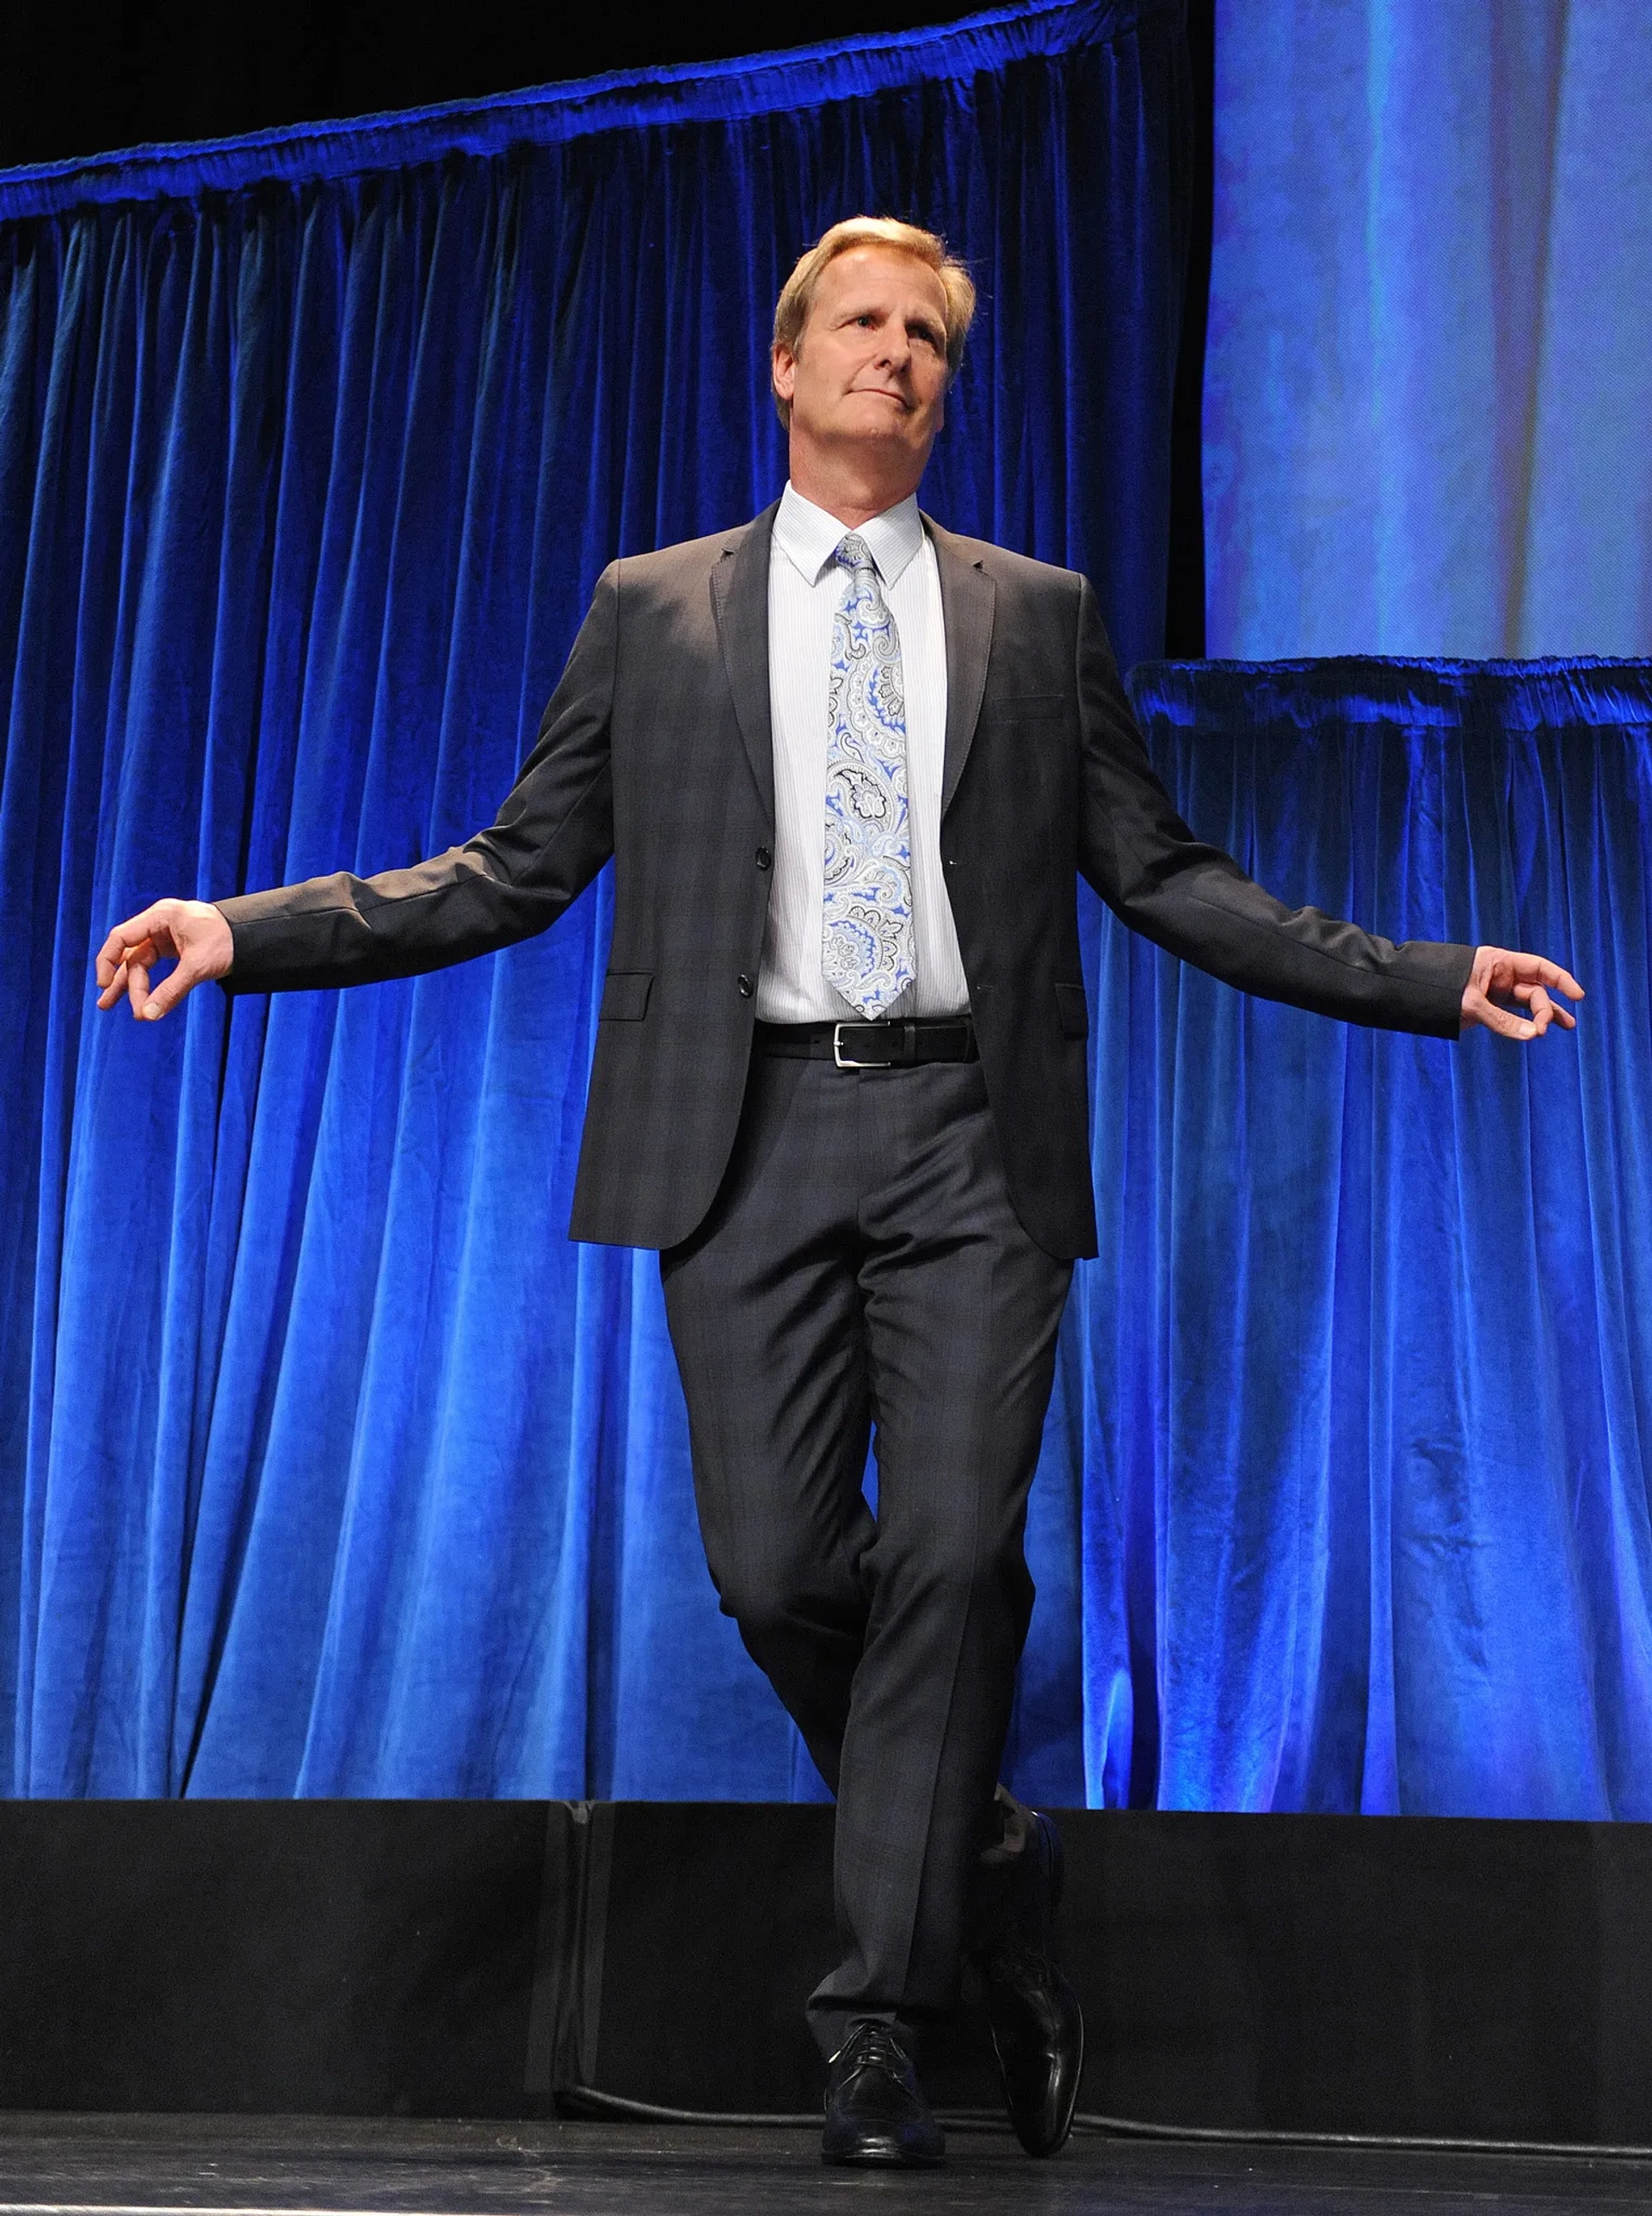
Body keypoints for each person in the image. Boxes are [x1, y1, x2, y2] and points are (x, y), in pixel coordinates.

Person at [94, 216, 1582, 2169]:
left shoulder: (1034, 616)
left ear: (945, 389)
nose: (897, 355)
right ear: (785, 368)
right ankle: (990, 1865)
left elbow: (1170, 874)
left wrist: (1415, 974)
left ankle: (876, 2019)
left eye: (930, 338)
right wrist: (246, 927)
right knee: (782, 1571)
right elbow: (508, 867)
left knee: (955, 1567)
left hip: (972, 1138)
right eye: (862, 325)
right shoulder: (658, 607)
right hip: (747, 1139)